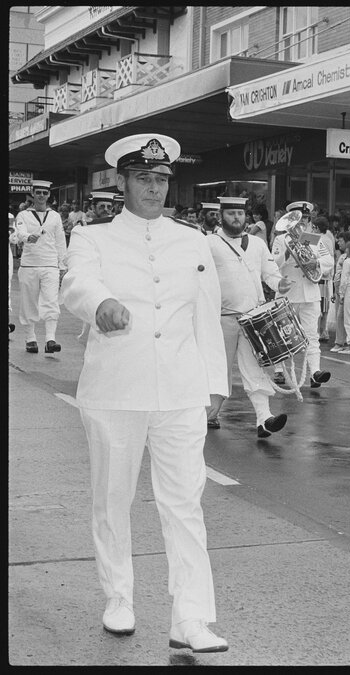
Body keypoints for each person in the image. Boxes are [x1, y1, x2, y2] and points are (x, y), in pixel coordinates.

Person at [59, 133, 230, 653]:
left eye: (161, 179)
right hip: (116, 389)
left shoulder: (192, 240)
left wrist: (215, 384)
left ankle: (191, 618)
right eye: (143, 178)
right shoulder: (93, 237)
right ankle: (119, 597)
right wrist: (100, 303)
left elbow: (206, 313)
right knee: (113, 499)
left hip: (180, 389)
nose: (154, 188)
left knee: (185, 504)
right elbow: (76, 283)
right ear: (122, 182)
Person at [205, 195, 293, 437]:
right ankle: (209, 414)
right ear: (221, 216)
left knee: (255, 368)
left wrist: (280, 284)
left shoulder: (257, 244)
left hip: (252, 319)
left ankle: (264, 419)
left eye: (240, 213)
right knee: (217, 369)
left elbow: (270, 273)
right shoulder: (208, 243)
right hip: (220, 318)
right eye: (231, 213)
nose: (236, 218)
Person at [271, 200, 335, 388]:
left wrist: (316, 263)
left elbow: (329, 260)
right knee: (283, 334)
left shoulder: (312, 238)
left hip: (309, 293)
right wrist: (287, 255)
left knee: (312, 335)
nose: (303, 222)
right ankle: (279, 370)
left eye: (306, 218)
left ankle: (315, 372)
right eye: (299, 218)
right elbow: (272, 264)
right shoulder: (281, 240)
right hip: (287, 293)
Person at [11, 179, 66, 354]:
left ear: (49, 195)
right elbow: (19, 232)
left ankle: (50, 339)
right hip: (29, 265)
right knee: (29, 302)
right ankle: (30, 338)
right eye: (38, 192)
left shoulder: (55, 216)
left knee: (51, 300)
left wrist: (62, 265)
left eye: (45, 193)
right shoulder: (23, 215)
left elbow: (60, 242)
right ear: (33, 194)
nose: (41, 196)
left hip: (50, 264)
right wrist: (28, 237)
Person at [328, 230, 350, 353]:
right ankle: (343, 341)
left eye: (341, 241)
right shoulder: (343, 256)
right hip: (339, 290)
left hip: (346, 291)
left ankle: (342, 342)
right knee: (340, 317)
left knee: (342, 317)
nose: (338, 243)